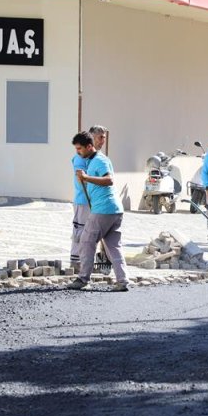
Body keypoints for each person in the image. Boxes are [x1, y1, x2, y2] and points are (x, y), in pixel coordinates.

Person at [67, 131, 130, 292]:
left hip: (104, 210)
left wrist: (86, 177)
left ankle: (83, 279)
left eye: (80, 149)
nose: (78, 152)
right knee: (113, 246)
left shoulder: (100, 161)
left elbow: (109, 180)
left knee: (86, 242)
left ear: (89, 146)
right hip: (114, 209)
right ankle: (122, 281)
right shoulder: (94, 160)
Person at [69, 124, 107, 270]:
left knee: (93, 231)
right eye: (100, 137)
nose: (103, 141)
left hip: (96, 201)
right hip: (84, 200)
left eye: (104, 137)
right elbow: (82, 181)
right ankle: (76, 262)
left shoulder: (98, 157)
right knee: (80, 230)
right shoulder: (80, 157)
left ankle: (88, 260)